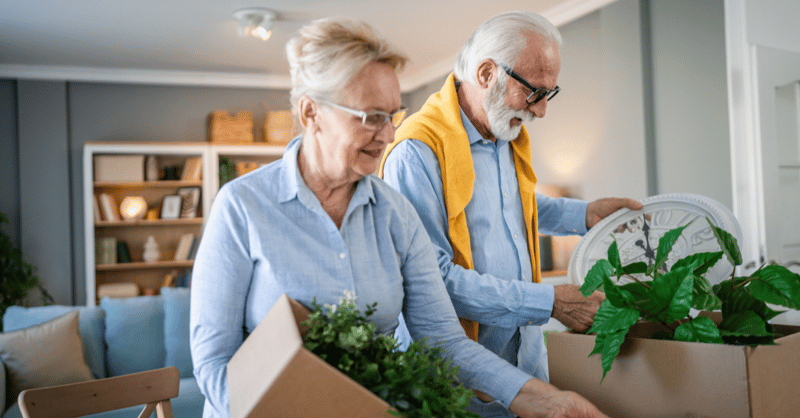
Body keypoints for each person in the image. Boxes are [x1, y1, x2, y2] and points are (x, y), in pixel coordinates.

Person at [190, 16, 608, 418]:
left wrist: (538, 398)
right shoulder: (242, 206)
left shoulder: (395, 217)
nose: (390, 136)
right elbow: (214, 363)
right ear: (310, 113)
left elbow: (444, 341)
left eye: (393, 116)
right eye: (372, 117)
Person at [380, 11, 642, 417]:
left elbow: (510, 208)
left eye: (548, 94)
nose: (540, 112)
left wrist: (585, 213)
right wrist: (550, 302)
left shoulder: (503, 134)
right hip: (455, 383)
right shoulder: (417, 152)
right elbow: (433, 281)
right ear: (486, 73)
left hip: (524, 362)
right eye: (535, 93)